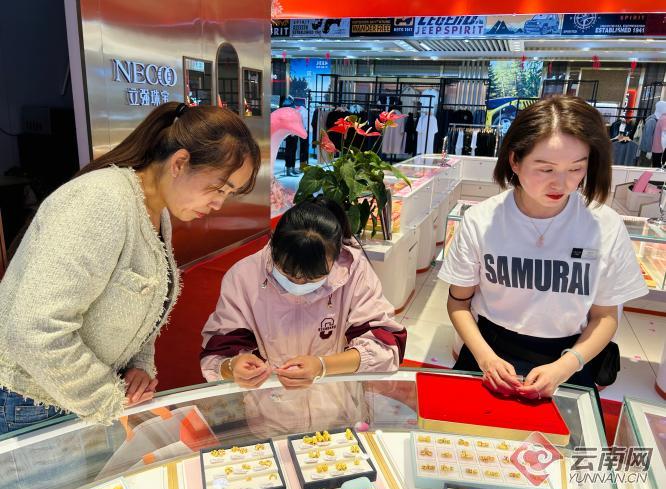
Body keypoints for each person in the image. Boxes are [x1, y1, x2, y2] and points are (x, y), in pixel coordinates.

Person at [0, 102, 261, 433]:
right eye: (218, 188)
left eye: (228, 194)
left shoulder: (156, 210)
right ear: (180, 163)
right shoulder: (101, 201)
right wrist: (108, 396)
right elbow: (35, 330)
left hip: (79, 394)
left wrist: (136, 365)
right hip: (33, 401)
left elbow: (143, 300)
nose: (219, 204)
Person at [440, 95, 648, 402]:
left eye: (576, 169)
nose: (561, 184)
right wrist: (486, 358)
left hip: (569, 358)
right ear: (515, 160)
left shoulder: (604, 225)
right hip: (490, 351)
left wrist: (566, 366)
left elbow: (605, 316)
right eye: (545, 169)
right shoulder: (481, 220)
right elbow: (459, 303)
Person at [200, 198, 407, 388]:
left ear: (335, 258)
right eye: (287, 273)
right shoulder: (244, 275)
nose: (298, 284)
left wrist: (323, 366)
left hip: (337, 401)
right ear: (273, 248)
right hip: (268, 403)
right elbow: (217, 352)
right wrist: (232, 366)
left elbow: (386, 348)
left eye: (312, 278)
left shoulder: (353, 271)